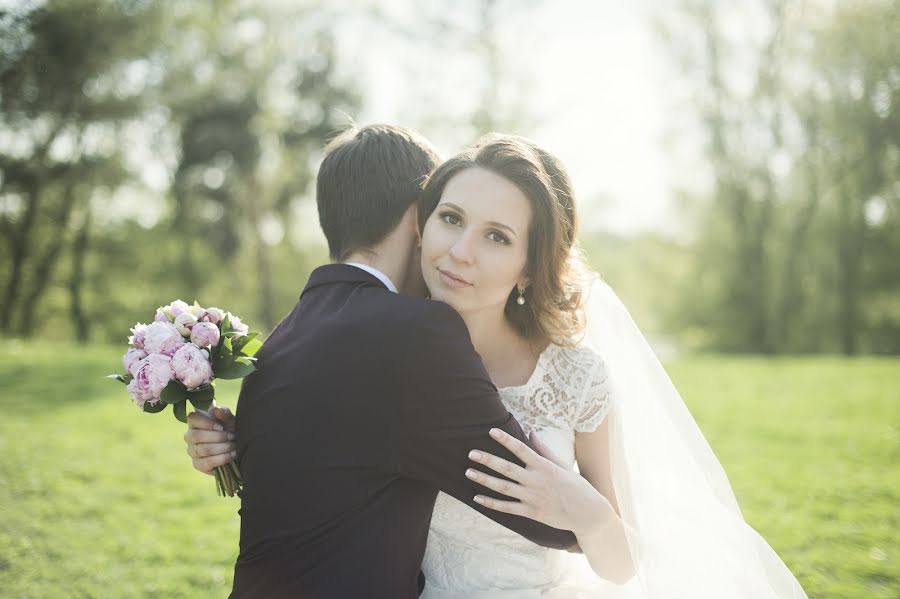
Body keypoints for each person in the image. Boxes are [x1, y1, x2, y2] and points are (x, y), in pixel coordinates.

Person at [188, 132, 809, 598]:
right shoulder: (394, 344)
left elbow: (623, 562)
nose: (460, 253)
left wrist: (586, 509)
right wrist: (234, 438)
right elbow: (335, 456)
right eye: (451, 220)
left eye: (497, 237)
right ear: (420, 223)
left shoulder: (575, 376)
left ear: (530, 267)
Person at [198, 124, 578, 599]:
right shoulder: (419, 331)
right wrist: (592, 520)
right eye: (448, 216)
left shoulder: (276, 344)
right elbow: (536, 510)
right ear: (418, 219)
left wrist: (218, 447)